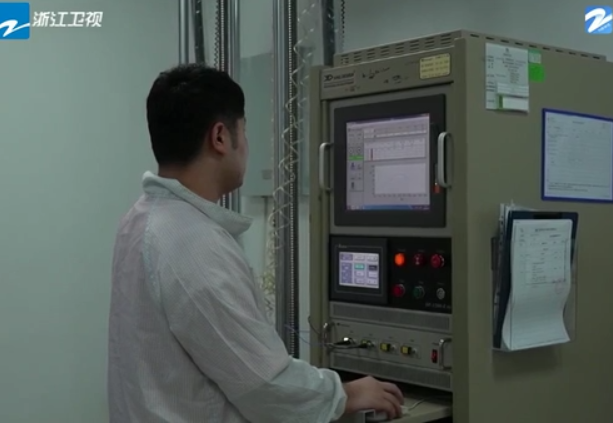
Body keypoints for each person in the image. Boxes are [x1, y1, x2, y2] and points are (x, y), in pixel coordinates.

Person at [107, 64, 404, 422]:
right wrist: (346, 394)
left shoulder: (139, 220)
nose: (246, 145)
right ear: (220, 137)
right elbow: (265, 386)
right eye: (244, 131)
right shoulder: (194, 243)